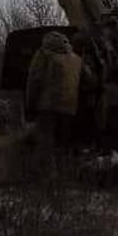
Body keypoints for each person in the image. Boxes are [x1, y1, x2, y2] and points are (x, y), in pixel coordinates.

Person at [25, 31, 82, 176]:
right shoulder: (76, 59)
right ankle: (66, 173)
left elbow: (34, 80)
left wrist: (30, 105)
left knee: (46, 142)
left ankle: (47, 178)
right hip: (69, 107)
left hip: (48, 106)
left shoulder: (44, 55)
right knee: (63, 142)